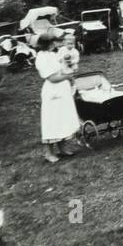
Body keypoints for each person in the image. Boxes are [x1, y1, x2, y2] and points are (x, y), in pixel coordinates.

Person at [34, 28, 80, 163]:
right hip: (53, 92)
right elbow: (52, 78)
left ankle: (62, 148)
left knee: (62, 118)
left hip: (62, 90)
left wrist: (70, 70)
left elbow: (61, 70)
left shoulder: (52, 54)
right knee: (52, 121)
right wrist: (68, 77)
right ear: (47, 43)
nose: (55, 44)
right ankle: (49, 153)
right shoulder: (41, 57)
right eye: (53, 42)